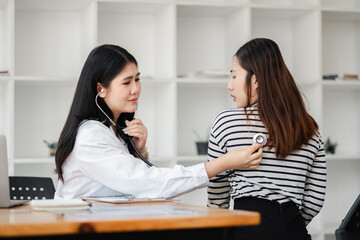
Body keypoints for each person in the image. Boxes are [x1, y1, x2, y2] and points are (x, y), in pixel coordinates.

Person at [54, 44, 263, 199]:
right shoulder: (91, 135)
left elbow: (133, 185)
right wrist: (223, 163)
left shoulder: (112, 130)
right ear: (101, 89)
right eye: (126, 82)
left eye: (137, 79)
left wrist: (139, 150)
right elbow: (146, 183)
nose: (135, 89)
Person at [207, 38, 326, 240]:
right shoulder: (308, 127)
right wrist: (285, 225)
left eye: (234, 76)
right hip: (294, 230)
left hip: (247, 229)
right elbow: (315, 198)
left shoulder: (226, 121)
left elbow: (217, 190)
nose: (229, 85)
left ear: (255, 80)